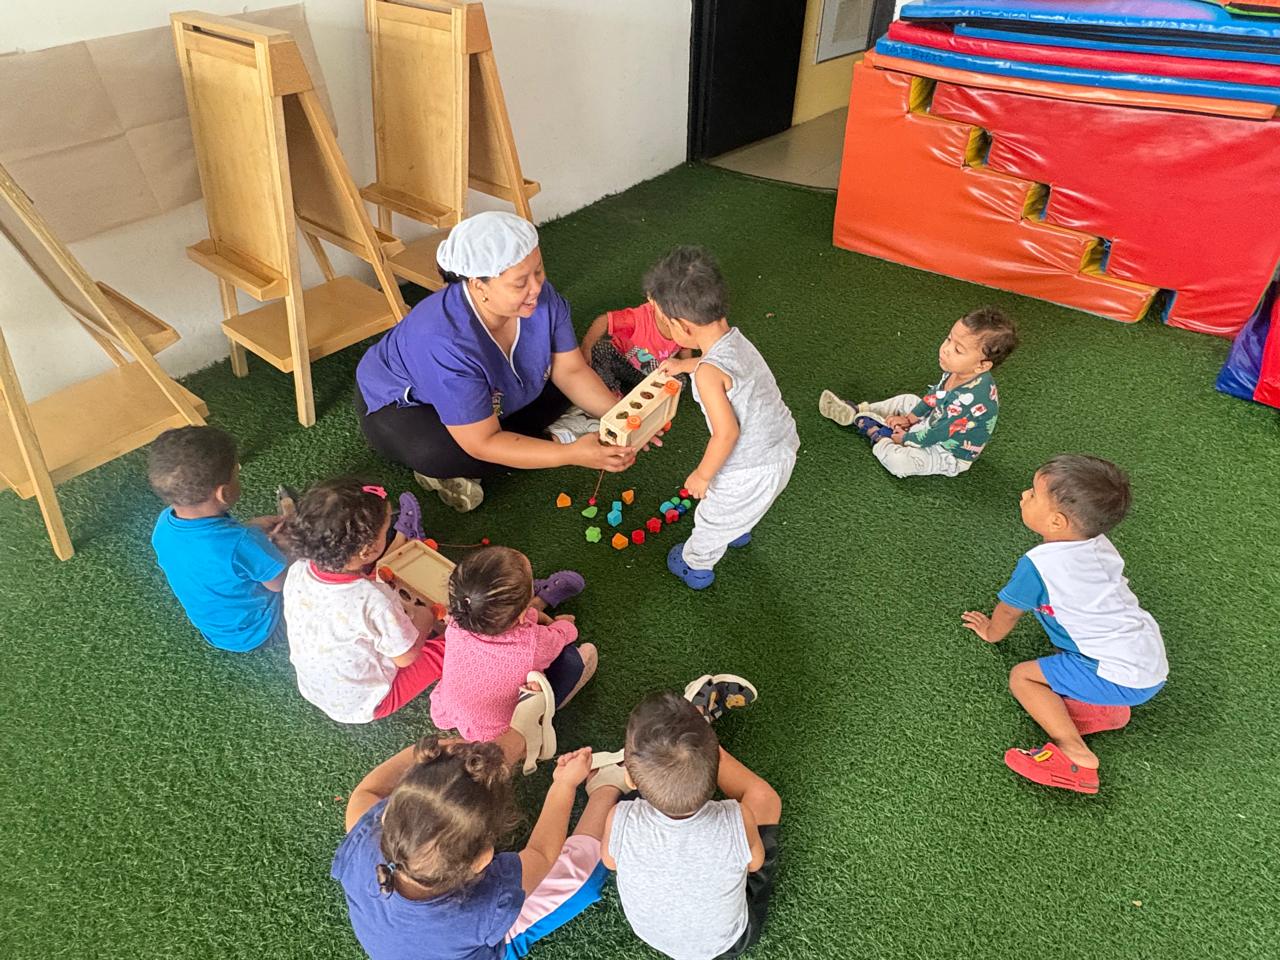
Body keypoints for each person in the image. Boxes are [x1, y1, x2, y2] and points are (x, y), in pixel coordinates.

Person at [354, 211, 636, 513]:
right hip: (402, 408)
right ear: (479, 286)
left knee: (565, 386)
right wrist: (569, 454)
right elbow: (482, 442)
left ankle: (528, 437)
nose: (536, 288)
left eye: (539, 271)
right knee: (445, 453)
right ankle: (535, 442)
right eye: (520, 283)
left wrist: (623, 416)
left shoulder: (540, 297)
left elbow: (571, 369)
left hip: (493, 395)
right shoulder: (443, 340)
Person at [962, 455, 1168, 795]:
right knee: (1067, 662)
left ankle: (1076, 755)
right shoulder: (1099, 543)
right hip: (1149, 664)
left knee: (1022, 677)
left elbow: (1009, 611)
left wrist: (991, 632)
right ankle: (1106, 710)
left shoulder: (1038, 566)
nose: (1024, 495)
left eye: (1033, 494)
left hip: (1115, 671)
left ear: (1057, 522)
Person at [332, 736, 626, 960]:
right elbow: (542, 854)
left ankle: (527, 736)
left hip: (402, 946)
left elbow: (368, 791)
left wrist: (446, 759)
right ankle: (605, 787)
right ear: (483, 860)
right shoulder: (487, 905)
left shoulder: (363, 834)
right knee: (577, 878)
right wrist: (564, 784)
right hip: (473, 942)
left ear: (387, 815)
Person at [650, 246, 800, 590]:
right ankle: (739, 525)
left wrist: (702, 476)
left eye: (665, 322)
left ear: (683, 327)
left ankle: (696, 565)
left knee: (712, 517)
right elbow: (721, 368)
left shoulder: (708, 374)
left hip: (748, 468)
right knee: (746, 503)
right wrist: (683, 365)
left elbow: (726, 433)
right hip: (782, 447)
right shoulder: (736, 341)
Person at [600, 676, 780, 960]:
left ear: (630, 779)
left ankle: (691, 734)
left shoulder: (618, 818)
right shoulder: (737, 818)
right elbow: (755, 864)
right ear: (717, 777)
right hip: (730, 942)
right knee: (766, 799)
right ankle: (703, 732)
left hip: (653, 935)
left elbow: (610, 862)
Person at [278, 480, 446, 723]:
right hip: (366, 702)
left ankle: (403, 541)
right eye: (385, 530)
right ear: (367, 551)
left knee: (370, 591)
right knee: (443, 650)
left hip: (316, 687)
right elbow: (405, 657)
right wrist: (426, 616)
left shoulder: (299, 569)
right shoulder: (375, 600)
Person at [818, 306, 1017, 478]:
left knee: (899, 463)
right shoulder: (959, 371)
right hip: (934, 421)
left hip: (947, 452)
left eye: (958, 350)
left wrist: (905, 439)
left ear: (982, 366)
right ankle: (860, 410)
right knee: (907, 400)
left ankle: (879, 434)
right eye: (949, 339)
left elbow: (937, 434)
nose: (946, 349)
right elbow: (935, 396)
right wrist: (910, 419)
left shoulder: (969, 400)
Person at [431, 546, 596, 746]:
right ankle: (556, 703)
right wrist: (565, 623)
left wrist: (528, 612)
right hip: (502, 732)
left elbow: (523, 620)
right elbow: (565, 634)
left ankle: (534, 602)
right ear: (522, 614)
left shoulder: (455, 622)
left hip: (448, 710)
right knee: (585, 655)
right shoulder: (533, 643)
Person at [147, 425, 286, 653]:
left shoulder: (163, 525)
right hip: (262, 630)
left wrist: (251, 530)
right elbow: (279, 583)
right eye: (236, 473)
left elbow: (212, 554)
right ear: (224, 493)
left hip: (217, 631)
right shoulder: (241, 542)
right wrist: (291, 548)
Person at [580, 298, 693, 394]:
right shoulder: (637, 318)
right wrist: (586, 349)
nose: (671, 313)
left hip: (649, 370)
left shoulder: (687, 322)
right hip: (620, 358)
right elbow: (603, 321)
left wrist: (688, 367)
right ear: (652, 299)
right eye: (665, 305)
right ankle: (612, 393)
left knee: (678, 381)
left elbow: (685, 347)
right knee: (599, 349)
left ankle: (635, 393)